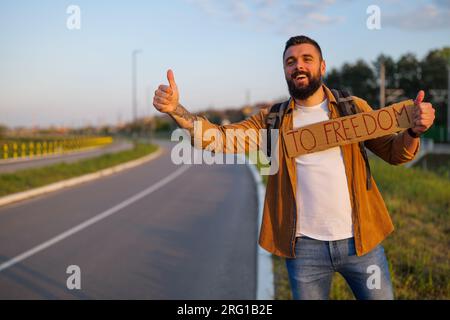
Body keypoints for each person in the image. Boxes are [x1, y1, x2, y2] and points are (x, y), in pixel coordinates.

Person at [152, 35, 435, 300]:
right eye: (290, 62)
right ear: (285, 71)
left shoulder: (352, 107)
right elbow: (219, 140)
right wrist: (177, 110)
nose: (298, 65)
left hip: (362, 242)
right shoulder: (271, 121)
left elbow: (394, 153)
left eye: (306, 58)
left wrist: (413, 132)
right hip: (304, 250)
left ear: (322, 66)